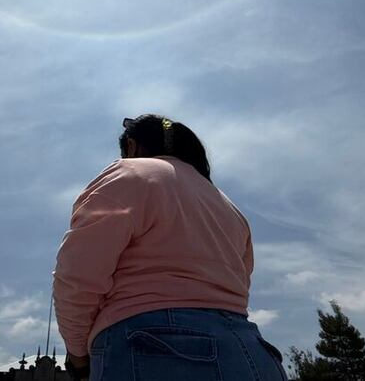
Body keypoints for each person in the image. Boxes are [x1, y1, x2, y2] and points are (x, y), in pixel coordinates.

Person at [52, 114, 287, 381]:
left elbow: (79, 273)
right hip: (254, 353)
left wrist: (78, 353)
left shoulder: (131, 172)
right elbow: (242, 283)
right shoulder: (229, 207)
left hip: (153, 344)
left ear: (132, 145)